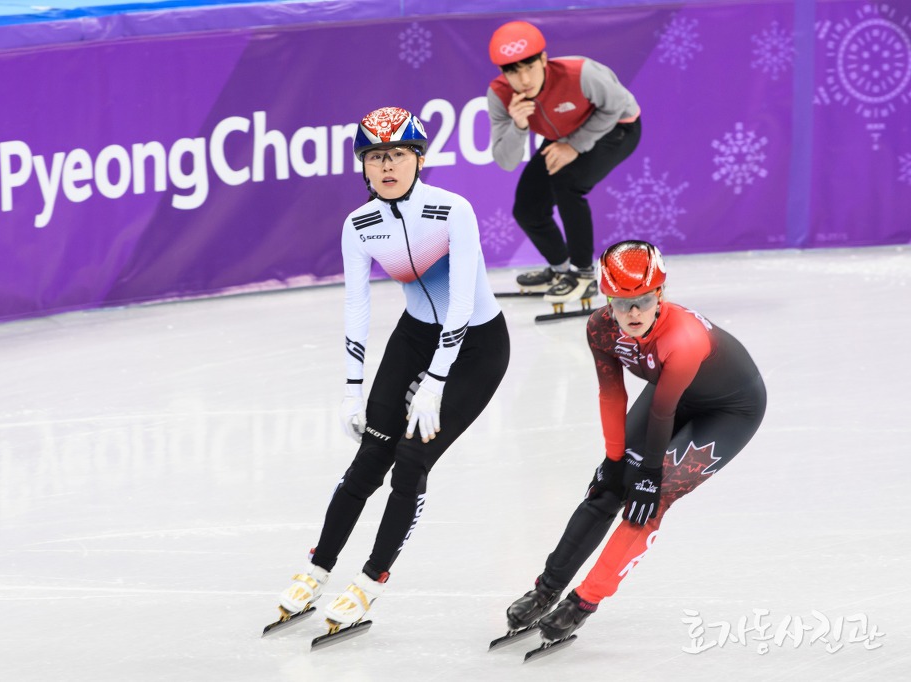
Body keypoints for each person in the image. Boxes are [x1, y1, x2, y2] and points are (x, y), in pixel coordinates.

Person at [275, 107, 510, 632]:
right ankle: (316, 569)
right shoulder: (359, 226)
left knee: (410, 460)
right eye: (375, 156)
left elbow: (461, 304)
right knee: (369, 458)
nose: (387, 165)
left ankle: (370, 580)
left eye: (398, 154)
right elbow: (356, 307)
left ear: (419, 159)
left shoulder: (453, 211)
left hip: (476, 345)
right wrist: (352, 390)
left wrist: (437, 379)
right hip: (414, 335)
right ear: (363, 165)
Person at [504, 240, 767, 643]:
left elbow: (663, 413)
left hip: (728, 411)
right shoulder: (600, 328)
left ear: (660, 294)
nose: (632, 313)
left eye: (643, 300)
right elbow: (612, 395)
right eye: (620, 302)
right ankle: (545, 589)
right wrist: (613, 462)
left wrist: (647, 474)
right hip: (671, 393)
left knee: (651, 499)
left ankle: (584, 601)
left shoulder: (684, 338)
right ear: (605, 299)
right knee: (605, 489)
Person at [487, 20, 642, 306]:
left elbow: (617, 104)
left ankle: (583, 275)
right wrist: (518, 126)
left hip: (618, 127)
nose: (524, 80)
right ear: (501, 72)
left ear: (544, 59)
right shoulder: (498, 95)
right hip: (563, 135)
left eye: (530, 66)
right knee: (528, 208)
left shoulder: (581, 73)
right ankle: (560, 270)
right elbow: (505, 161)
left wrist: (574, 145)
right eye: (513, 71)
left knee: (567, 184)